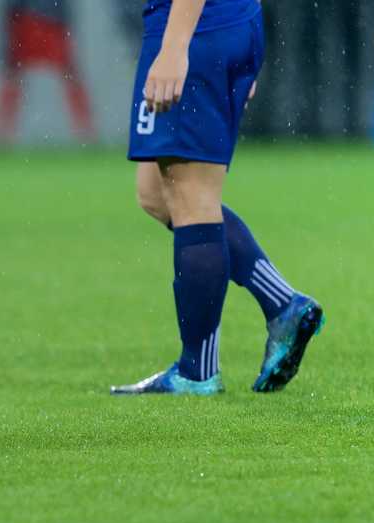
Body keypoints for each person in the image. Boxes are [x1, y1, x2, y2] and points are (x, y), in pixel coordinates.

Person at [112, 0, 325, 396]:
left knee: (191, 195)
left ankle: (197, 372)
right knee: (157, 194)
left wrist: (177, 47)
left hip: (193, 29)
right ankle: (283, 305)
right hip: (221, 25)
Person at [0, 0, 95, 143]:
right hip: (26, 19)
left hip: (47, 21)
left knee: (70, 77)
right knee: (12, 77)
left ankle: (87, 134)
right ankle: (1, 137)